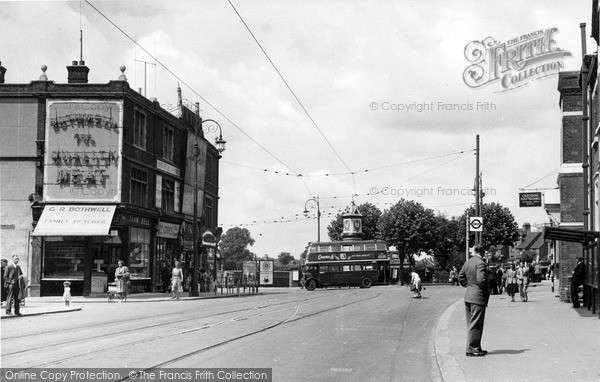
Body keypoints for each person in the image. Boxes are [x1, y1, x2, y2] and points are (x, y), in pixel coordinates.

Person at [458, 245, 489, 357]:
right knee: (476, 323)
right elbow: (481, 279)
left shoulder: (468, 262)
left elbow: (460, 277)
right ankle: (473, 348)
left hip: (468, 296)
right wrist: (483, 289)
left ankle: (474, 346)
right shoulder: (481, 263)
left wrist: (469, 286)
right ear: (483, 252)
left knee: (471, 323)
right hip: (478, 296)